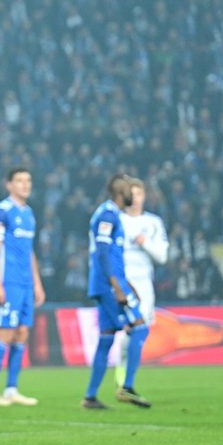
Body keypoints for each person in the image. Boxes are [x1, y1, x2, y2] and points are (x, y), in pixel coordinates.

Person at [83, 174, 151, 410]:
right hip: (108, 286)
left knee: (106, 339)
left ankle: (90, 397)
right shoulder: (108, 215)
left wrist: (126, 282)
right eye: (130, 190)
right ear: (121, 193)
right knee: (140, 328)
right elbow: (102, 253)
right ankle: (127, 387)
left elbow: (111, 256)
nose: (134, 194)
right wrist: (117, 286)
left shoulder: (111, 215)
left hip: (110, 284)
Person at [0, 168, 45, 407]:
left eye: (28, 180)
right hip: (9, 282)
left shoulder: (29, 213)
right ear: (9, 185)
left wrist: (37, 283)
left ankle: (11, 389)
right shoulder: (2, 212)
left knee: (22, 334)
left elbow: (29, 252)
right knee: (5, 333)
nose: (25, 185)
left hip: (26, 283)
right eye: (19, 181)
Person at [114, 178, 168, 389]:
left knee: (139, 331)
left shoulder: (153, 223)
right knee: (128, 330)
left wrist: (145, 243)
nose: (134, 199)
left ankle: (127, 381)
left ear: (144, 196)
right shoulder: (117, 220)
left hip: (145, 284)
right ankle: (124, 379)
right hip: (121, 283)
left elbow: (162, 257)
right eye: (131, 194)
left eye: (138, 194)